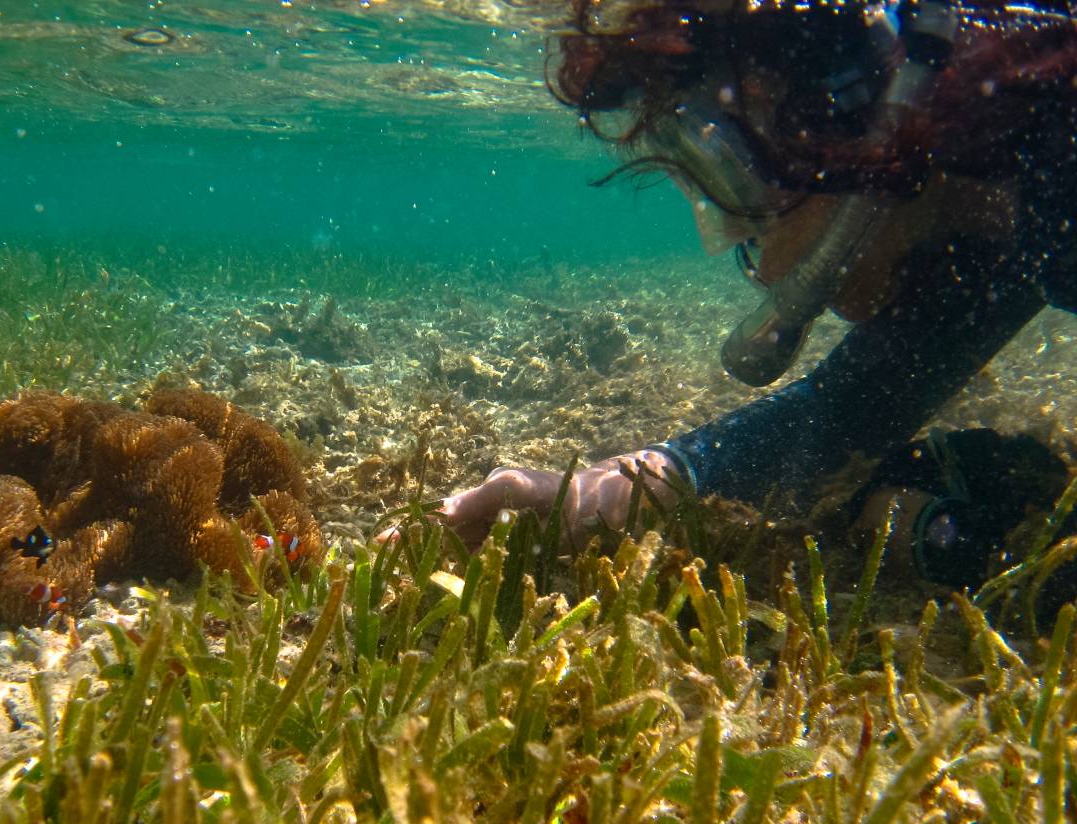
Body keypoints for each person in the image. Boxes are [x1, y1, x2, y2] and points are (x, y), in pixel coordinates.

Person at [438, 0, 1077, 567]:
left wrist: (981, 554)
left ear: (875, 121)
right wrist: (621, 489)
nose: (758, 260)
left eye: (734, 173)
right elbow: (845, 411)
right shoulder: (990, 234)